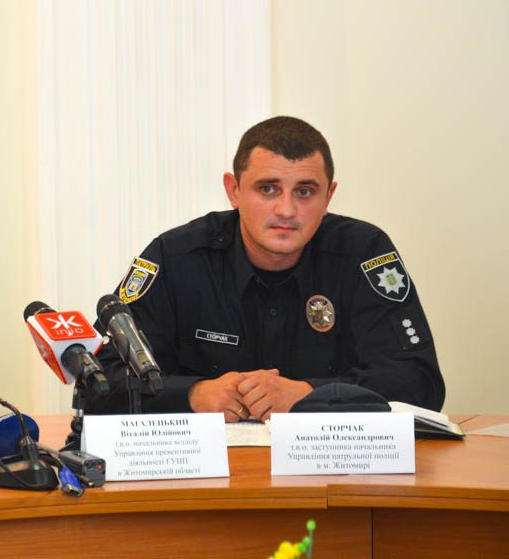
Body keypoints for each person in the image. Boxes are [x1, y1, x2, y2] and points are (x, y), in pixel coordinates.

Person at [88, 116, 444, 421]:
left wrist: (309, 394)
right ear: (233, 190)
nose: (286, 210)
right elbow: (99, 381)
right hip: (209, 471)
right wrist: (194, 394)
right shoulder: (178, 257)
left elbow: (420, 382)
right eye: (268, 189)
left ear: (328, 197)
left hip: (334, 468)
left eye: (304, 192)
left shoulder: (361, 253)